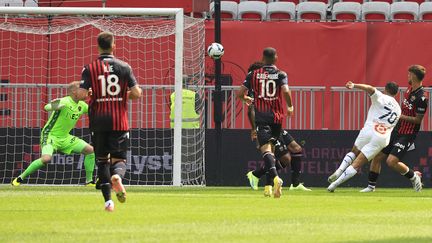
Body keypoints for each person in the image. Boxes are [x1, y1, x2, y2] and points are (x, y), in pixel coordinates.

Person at [78, 31, 142, 212]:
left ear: (98, 47)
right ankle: (117, 178)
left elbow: (82, 95)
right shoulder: (124, 67)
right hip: (118, 121)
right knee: (119, 159)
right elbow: (136, 93)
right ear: (114, 46)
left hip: (98, 121)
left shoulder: (89, 68)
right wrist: (122, 94)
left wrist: (92, 93)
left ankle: (108, 202)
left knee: (102, 161)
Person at [244, 62, 311, 196]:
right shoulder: (253, 89)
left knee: (296, 148)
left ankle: (293, 184)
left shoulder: (267, 87)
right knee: (284, 157)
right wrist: (254, 130)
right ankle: (266, 183)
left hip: (275, 124)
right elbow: (250, 109)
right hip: (264, 125)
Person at [11, 81, 95, 186]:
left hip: (65, 138)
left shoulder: (82, 105)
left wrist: (95, 96)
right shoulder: (65, 101)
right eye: (83, 89)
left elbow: (95, 111)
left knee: (90, 151)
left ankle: (89, 181)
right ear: (74, 91)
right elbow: (47, 107)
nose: (86, 90)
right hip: (50, 135)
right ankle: (20, 178)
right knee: (46, 159)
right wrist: (54, 106)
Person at [360, 65, 428, 192]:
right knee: (377, 156)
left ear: (413, 75)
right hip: (396, 130)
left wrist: (399, 116)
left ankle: (414, 176)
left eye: (409, 74)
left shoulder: (422, 97)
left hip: (408, 134)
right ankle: (371, 187)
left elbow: (418, 120)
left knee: (391, 162)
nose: (407, 76)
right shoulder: (409, 90)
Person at [237, 47, 294, 198]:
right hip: (277, 118)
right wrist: (290, 106)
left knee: (267, 151)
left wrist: (245, 99)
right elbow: (286, 91)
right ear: (276, 58)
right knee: (273, 152)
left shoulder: (253, 75)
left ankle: (275, 179)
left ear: (262, 58)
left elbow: (239, 93)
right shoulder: (281, 74)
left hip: (262, 118)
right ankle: (269, 188)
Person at [327, 81, 402, 192]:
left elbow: (370, 88)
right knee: (358, 163)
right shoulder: (398, 109)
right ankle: (334, 185)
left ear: (385, 89)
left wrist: (354, 85)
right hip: (383, 137)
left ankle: (339, 170)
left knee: (354, 151)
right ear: (396, 93)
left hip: (370, 128)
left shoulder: (381, 97)